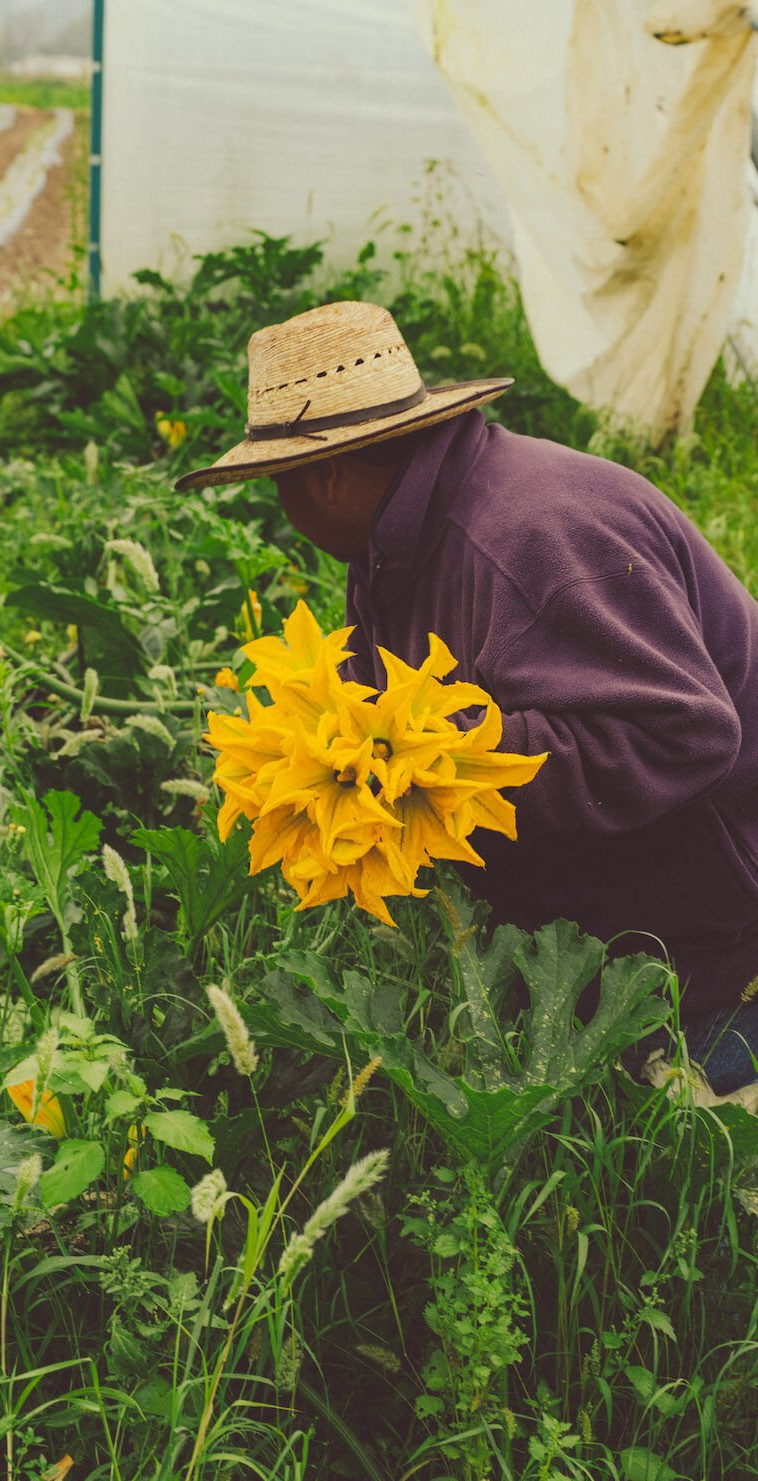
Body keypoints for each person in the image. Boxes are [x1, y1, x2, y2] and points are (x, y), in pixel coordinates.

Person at [175, 300, 758, 1095]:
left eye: (280, 484)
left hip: (724, 919)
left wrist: (436, 761)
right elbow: (389, 708)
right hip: (621, 914)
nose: (283, 511)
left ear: (331, 474)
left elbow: (681, 733)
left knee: (678, 1144)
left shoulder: (535, 535)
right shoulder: (394, 542)